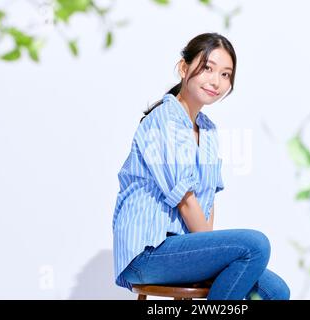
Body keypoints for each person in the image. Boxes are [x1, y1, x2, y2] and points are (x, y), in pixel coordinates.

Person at [112, 32, 290, 300]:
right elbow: (186, 202)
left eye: (225, 74)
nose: (216, 81)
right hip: (147, 253)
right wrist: (213, 253)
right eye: (208, 68)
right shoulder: (165, 120)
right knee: (255, 245)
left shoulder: (207, 130)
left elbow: (206, 203)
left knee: (276, 291)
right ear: (184, 69)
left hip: (182, 249)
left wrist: (210, 252)